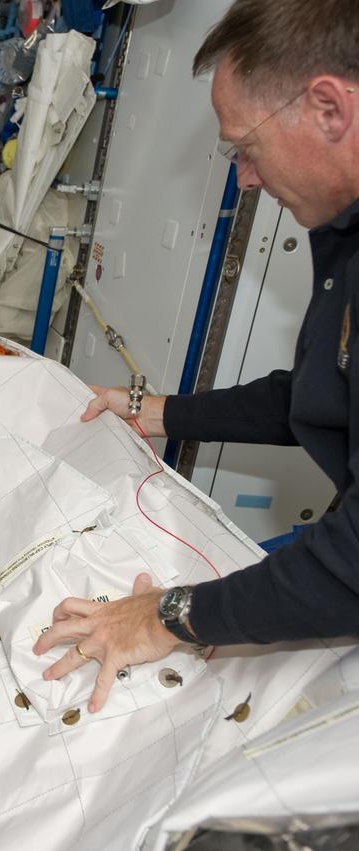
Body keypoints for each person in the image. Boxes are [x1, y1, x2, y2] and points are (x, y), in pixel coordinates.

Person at [33, 0, 359, 714]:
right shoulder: (344, 234)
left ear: (329, 108)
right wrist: (158, 412)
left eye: (245, 147)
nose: (244, 178)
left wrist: (165, 616)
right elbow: (319, 390)